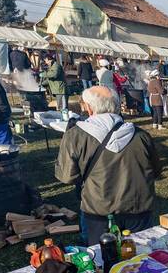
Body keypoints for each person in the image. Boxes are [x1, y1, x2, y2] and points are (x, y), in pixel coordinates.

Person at [55, 86, 161, 244]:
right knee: (141, 258)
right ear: (116, 106)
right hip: (138, 210)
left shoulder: (74, 136)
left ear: (89, 108)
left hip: (98, 211)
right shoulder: (141, 136)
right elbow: (156, 170)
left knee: (101, 260)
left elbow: (67, 176)